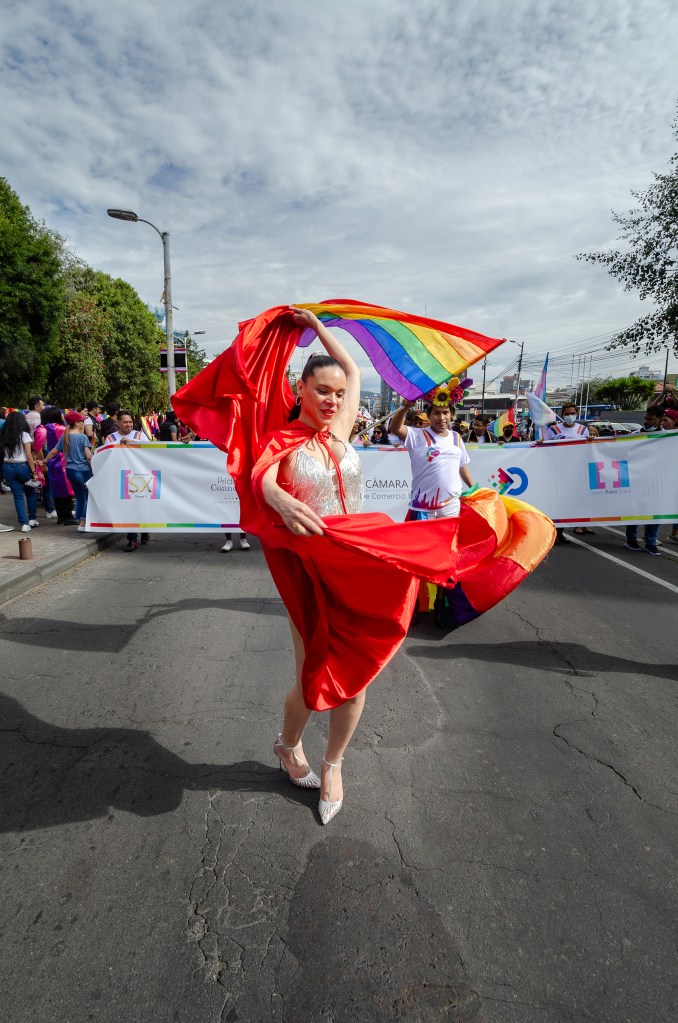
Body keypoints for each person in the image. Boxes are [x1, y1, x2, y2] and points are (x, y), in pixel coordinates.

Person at [172, 304, 555, 827]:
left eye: (337, 393)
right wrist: (277, 498)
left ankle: (333, 763)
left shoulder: (343, 428)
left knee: (356, 676)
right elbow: (260, 477)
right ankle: (288, 745)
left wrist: (318, 327)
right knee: (313, 674)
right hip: (312, 570)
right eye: (321, 391)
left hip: (360, 563)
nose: (333, 399)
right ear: (300, 389)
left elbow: (353, 370)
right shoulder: (282, 440)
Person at [390, 388, 474, 624]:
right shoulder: (417, 436)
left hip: (451, 508)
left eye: (445, 412)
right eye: (436, 413)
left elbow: (462, 467)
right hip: (422, 509)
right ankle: (416, 604)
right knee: (418, 559)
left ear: (452, 414)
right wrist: (405, 408)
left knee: (448, 558)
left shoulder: (457, 438)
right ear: (428, 415)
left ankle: (442, 603)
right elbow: (395, 428)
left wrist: (475, 488)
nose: (441, 417)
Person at [100, 410, 151, 550]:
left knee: (141, 506)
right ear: (118, 423)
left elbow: (150, 451)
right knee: (129, 508)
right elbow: (106, 456)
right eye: (125, 422)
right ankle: (132, 539)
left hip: (140, 478)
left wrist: (132, 443)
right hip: (121, 478)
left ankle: (145, 529)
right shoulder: (111, 438)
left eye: (130, 422)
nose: (128, 424)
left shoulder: (139, 436)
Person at [624, 406, 665, 556]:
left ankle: (651, 542)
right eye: (645, 418)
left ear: (659, 420)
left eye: (651, 419)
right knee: (634, 510)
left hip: (657, 482)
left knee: (654, 512)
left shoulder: (668, 437)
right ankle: (631, 539)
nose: (647, 422)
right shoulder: (634, 435)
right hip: (636, 480)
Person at [45, 412, 93, 532]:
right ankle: (83, 523)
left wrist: (44, 461)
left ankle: (79, 521)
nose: (83, 423)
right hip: (83, 471)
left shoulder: (65, 436)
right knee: (88, 498)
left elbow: (54, 451)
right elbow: (89, 456)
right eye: (82, 421)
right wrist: (94, 468)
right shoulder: (82, 437)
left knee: (79, 498)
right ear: (77, 423)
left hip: (69, 471)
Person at [0, 411, 41, 531]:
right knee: (30, 493)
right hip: (22, 466)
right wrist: (34, 471)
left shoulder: (3, 435)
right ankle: (32, 519)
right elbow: (28, 455)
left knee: (18, 496)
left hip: (7, 466)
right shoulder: (24, 435)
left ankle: (24, 524)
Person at [40, 407, 75, 524]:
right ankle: (68, 516)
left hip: (51, 462)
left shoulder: (44, 428)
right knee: (67, 491)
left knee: (57, 491)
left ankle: (61, 516)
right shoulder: (61, 428)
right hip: (62, 461)